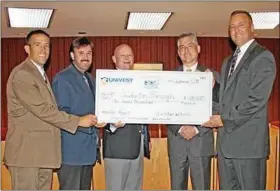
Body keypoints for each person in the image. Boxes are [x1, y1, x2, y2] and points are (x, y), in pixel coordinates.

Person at [4, 30, 97, 190]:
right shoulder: (23, 74)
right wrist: (79, 121)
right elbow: (43, 110)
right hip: (27, 154)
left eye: (47, 45)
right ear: (27, 49)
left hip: (42, 154)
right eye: (37, 45)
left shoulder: (40, 75)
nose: (43, 50)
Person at [203, 10, 276, 190]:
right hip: (226, 146)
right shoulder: (228, 61)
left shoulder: (263, 57)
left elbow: (256, 101)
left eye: (240, 25)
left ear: (252, 28)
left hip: (248, 147)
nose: (236, 30)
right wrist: (212, 89)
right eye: (232, 27)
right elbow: (225, 99)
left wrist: (224, 119)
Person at [166, 32, 220, 190]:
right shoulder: (169, 78)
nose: (185, 50)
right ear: (177, 53)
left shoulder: (212, 76)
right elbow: (163, 108)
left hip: (201, 142)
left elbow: (217, 107)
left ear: (198, 48)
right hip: (177, 142)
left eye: (190, 46)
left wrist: (196, 128)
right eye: (181, 47)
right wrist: (180, 128)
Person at [52, 37, 105, 190]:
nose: (86, 57)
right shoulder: (62, 79)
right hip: (71, 153)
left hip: (88, 152)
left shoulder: (91, 79)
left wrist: (102, 119)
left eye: (89, 53)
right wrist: (83, 121)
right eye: (81, 53)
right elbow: (60, 114)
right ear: (72, 55)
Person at [102, 44, 151, 190]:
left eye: (130, 55)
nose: (127, 58)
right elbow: (98, 111)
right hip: (117, 149)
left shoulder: (141, 82)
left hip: (138, 148)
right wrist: (111, 124)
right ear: (113, 59)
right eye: (122, 56)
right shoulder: (105, 82)